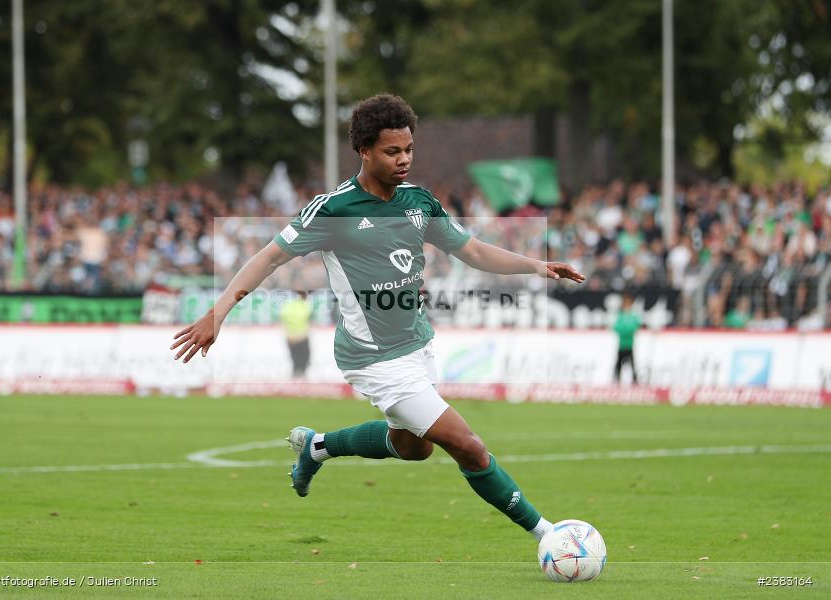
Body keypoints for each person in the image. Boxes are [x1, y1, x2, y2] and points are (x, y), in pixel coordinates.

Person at [171, 94, 585, 548]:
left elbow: (473, 251)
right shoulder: (334, 209)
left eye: (408, 149)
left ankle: (317, 446)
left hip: (417, 344)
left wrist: (536, 265)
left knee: (414, 448)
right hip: (373, 358)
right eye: (392, 151)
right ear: (364, 151)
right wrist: (218, 313)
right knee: (467, 445)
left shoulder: (418, 202)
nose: (404, 159)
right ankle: (551, 536)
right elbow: (268, 258)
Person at [279, 290, 312, 378]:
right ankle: (302, 377)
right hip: (302, 337)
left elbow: (284, 322)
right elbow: (308, 320)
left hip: (291, 337)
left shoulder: (286, 306)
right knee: (304, 361)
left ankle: (295, 377)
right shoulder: (304, 306)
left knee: (295, 360)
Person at [613, 292, 640, 383]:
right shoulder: (620, 316)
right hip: (622, 345)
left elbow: (635, 326)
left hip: (630, 345)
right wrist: (626, 330)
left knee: (632, 365)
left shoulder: (633, 316)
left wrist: (626, 330)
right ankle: (617, 381)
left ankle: (635, 381)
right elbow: (616, 327)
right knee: (618, 365)